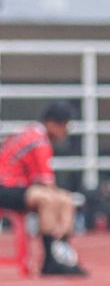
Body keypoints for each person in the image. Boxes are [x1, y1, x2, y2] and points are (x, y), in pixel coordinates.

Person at [0, 101, 88, 276]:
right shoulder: (38, 142)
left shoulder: (32, 133)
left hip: (14, 187)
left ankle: (60, 249)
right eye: (64, 126)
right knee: (49, 199)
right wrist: (63, 220)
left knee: (63, 199)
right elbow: (46, 184)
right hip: (5, 187)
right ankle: (51, 257)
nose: (65, 132)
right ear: (52, 123)